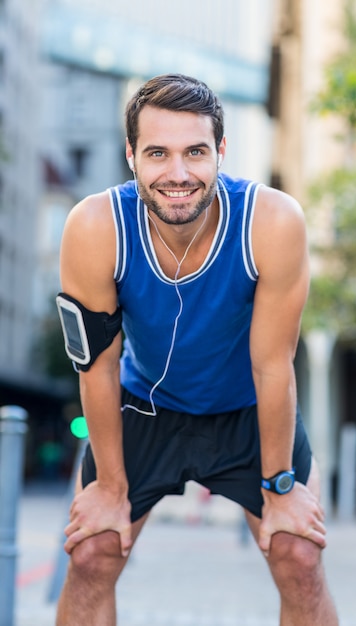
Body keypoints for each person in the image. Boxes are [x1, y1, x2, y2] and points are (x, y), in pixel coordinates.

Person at [55, 73, 338, 626]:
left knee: (299, 555)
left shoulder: (272, 221)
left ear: (221, 153)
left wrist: (280, 487)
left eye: (196, 152)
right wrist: (110, 486)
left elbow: (272, 365)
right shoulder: (95, 227)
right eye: (158, 153)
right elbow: (97, 367)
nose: (178, 173)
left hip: (248, 412)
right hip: (144, 408)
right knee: (93, 552)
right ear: (131, 155)